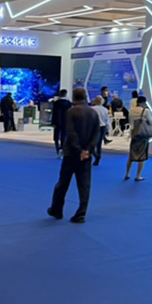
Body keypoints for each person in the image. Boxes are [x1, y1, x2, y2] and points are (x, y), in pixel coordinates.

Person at [48, 88, 100, 223]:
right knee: (85, 185)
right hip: (86, 155)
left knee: (63, 183)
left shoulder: (71, 111)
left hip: (71, 153)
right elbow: (96, 133)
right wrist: (87, 150)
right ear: (85, 96)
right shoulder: (93, 112)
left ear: (74, 97)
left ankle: (56, 209)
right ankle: (81, 213)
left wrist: (79, 149)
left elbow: (71, 133)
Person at [125, 96, 152, 182]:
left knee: (131, 155)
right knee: (142, 156)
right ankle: (138, 175)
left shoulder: (131, 110)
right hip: (143, 135)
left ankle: (127, 173)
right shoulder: (146, 111)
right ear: (143, 103)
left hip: (134, 134)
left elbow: (130, 122)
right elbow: (151, 122)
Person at [51, 90, 72, 158]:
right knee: (64, 136)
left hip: (57, 122)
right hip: (66, 122)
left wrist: (53, 122)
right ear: (66, 94)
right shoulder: (69, 103)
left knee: (56, 137)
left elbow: (54, 113)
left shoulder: (56, 103)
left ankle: (58, 150)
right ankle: (62, 148)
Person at [91, 96, 110, 166]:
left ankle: (96, 155)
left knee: (91, 143)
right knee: (99, 144)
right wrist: (108, 129)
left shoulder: (92, 109)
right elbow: (107, 120)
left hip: (94, 127)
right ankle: (98, 158)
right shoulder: (105, 109)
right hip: (103, 127)